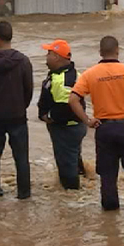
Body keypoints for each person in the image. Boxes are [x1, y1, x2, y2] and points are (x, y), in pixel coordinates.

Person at [69, 36, 124, 211]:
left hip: (105, 128)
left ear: (100, 52)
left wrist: (87, 120)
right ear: (117, 50)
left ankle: (110, 217)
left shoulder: (90, 74)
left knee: (107, 176)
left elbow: (73, 99)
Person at [0, 21, 33, 199]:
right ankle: (24, 194)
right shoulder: (23, 61)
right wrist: (20, 105)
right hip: (17, 115)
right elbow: (29, 90)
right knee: (21, 157)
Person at [37, 39, 87, 190]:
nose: (46, 56)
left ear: (57, 57)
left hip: (66, 128)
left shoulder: (66, 79)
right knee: (73, 159)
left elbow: (68, 107)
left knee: (67, 166)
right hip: (71, 127)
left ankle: (72, 198)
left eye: (49, 53)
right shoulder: (66, 74)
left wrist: (49, 117)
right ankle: (84, 183)